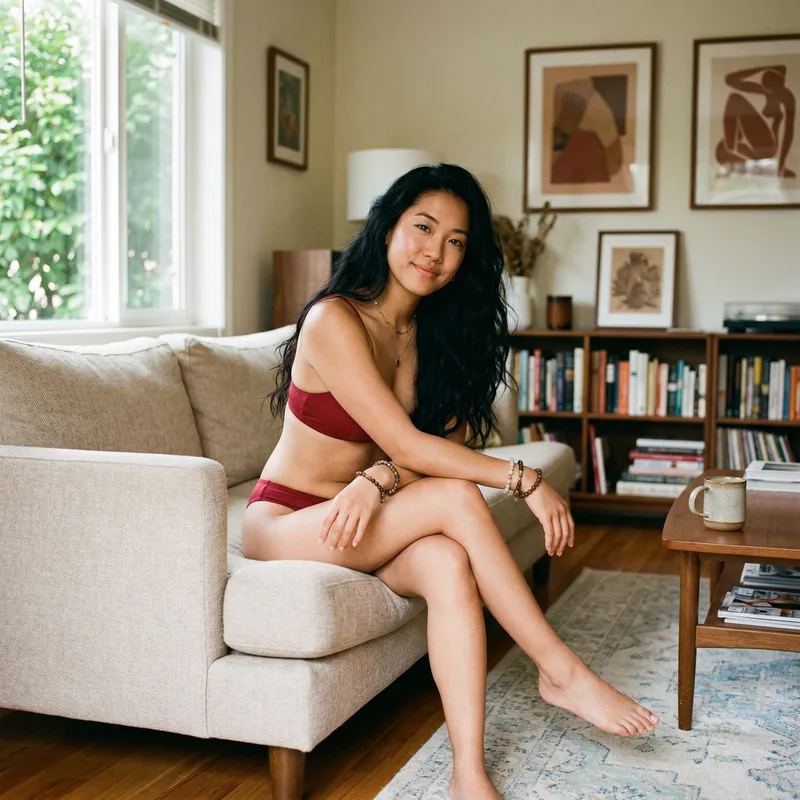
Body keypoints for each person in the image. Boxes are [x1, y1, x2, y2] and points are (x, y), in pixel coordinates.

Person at [242, 163, 659, 800]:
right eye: (423, 227)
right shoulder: (335, 320)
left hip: (366, 521)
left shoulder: (433, 335)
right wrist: (523, 478)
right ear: (387, 227)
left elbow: (445, 447)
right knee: (458, 498)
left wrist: (377, 480)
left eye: (455, 241)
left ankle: (469, 772)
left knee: (447, 562)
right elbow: (414, 446)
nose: (434, 251)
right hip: (288, 521)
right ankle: (561, 671)